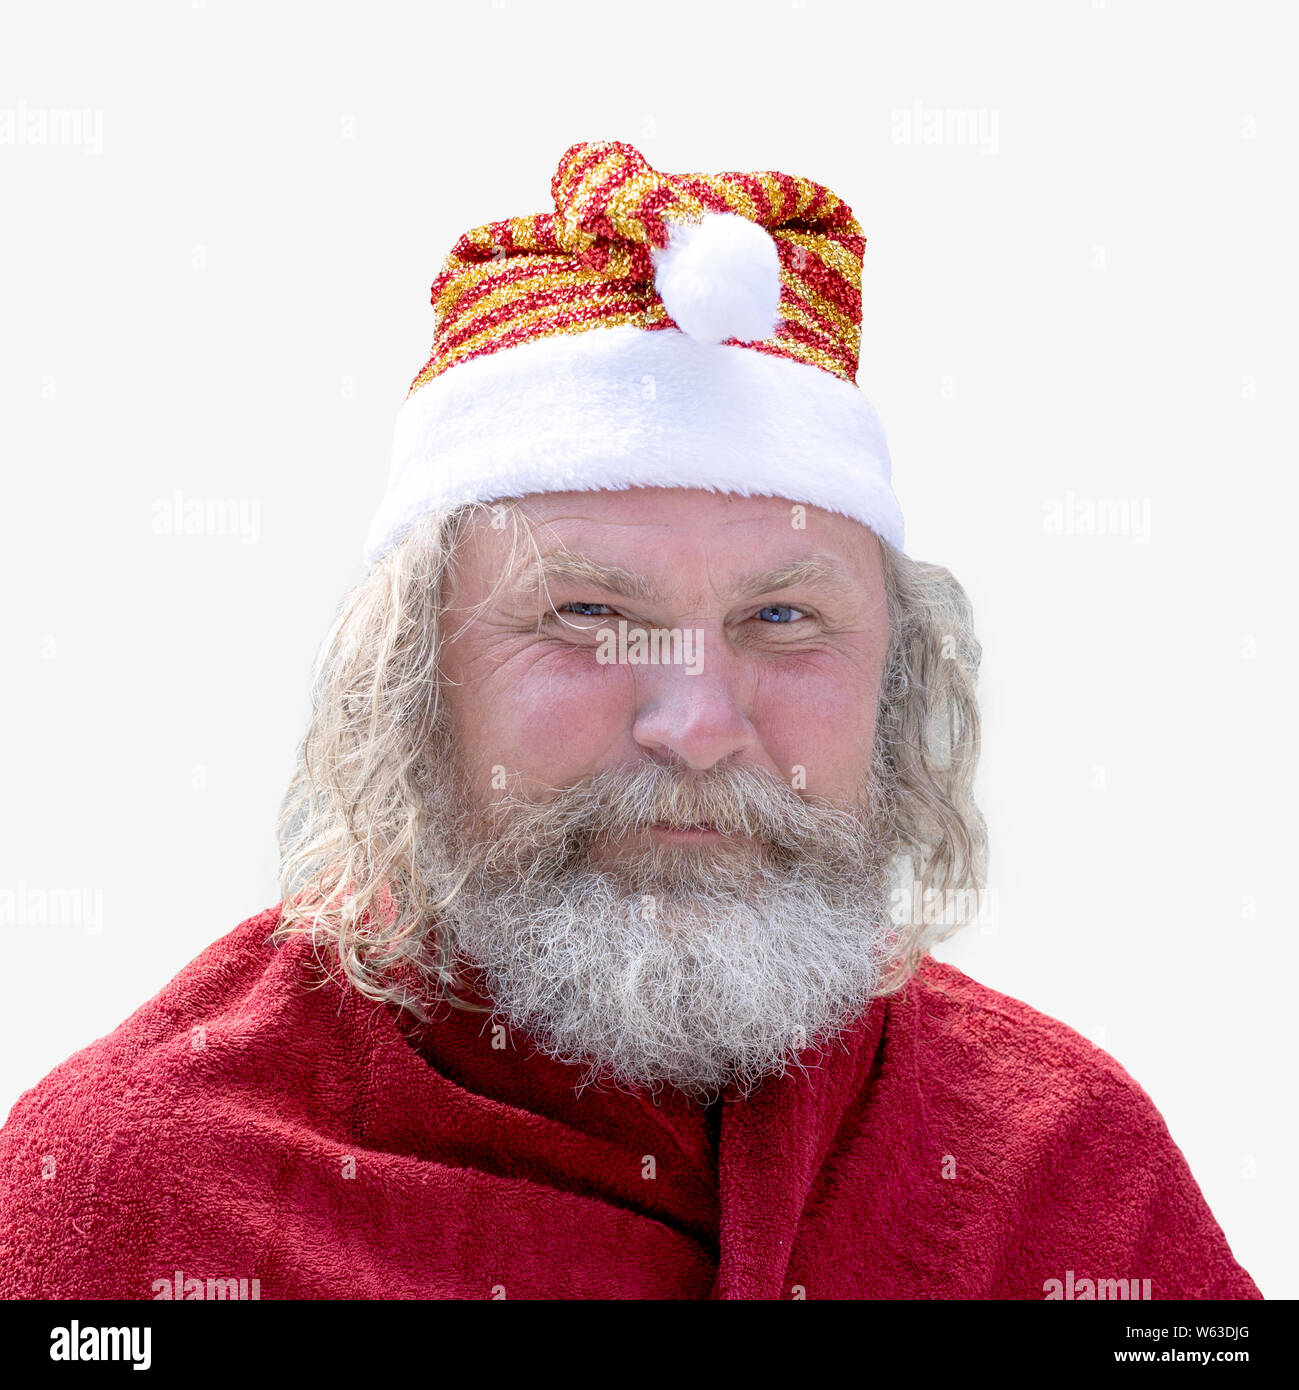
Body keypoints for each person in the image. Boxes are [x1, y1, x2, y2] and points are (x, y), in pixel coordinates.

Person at [0, 140, 1260, 1300]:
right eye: (591, 613)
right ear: (407, 686)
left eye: (782, 618)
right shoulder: (137, 1194)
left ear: (898, 679)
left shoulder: (1071, 1165)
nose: (698, 724)